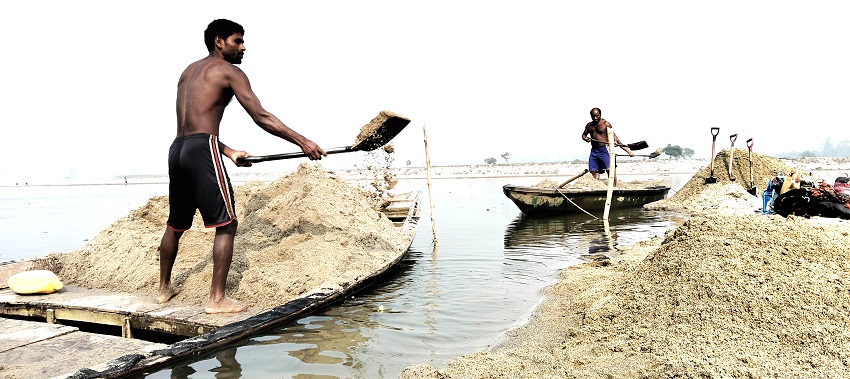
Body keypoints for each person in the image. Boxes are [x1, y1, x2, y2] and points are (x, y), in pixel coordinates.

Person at [157, 19, 327, 314]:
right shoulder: (229, 71)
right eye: (238, 41)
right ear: (219, 42)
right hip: (201, 149)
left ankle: (163, 290)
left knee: (176, 224)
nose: (243, 47)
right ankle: (217, 299)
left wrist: (228, 151)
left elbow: (194, 128)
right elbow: (261, 116)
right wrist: (302, 141)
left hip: (178, 150)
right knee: (227, 224)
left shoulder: (188, 72)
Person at [581, 107, 634, 180]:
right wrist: (585, 138)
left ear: (600, 115)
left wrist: (628, 152)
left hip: (604, 150)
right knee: (593, 171)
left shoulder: (606, 124)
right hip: (594, 151)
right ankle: (597, 187)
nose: (595, 118)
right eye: (593, 116)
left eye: (597, 116)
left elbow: (616, 140)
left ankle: (614, 187)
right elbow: (584, 135)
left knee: (610, 170)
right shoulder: (589, 125)